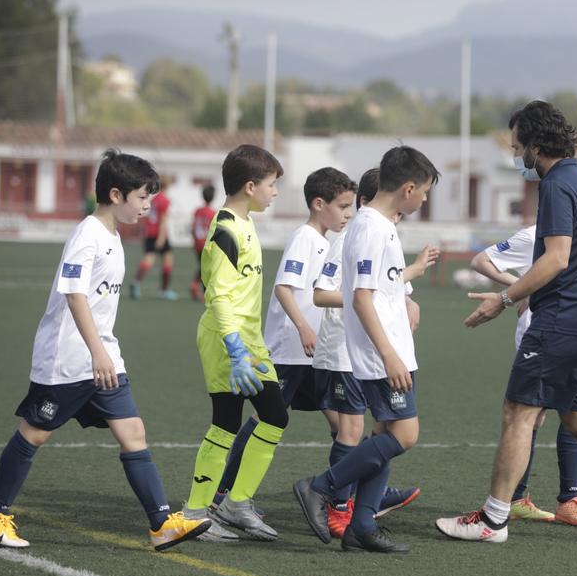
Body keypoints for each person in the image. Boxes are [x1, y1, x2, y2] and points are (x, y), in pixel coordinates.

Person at [435, 100, 577, 545]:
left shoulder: (556, 185)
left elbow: (556, 259)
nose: (519, 157)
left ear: (538, 146)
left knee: (518, 412)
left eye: (519, 147)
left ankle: (493, 519)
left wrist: (504, 297)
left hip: (560, 321)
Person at [0, 149, 209, 551]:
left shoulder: (113, 234)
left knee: (133, 432)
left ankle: (161, 524)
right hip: (68, 358)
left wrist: (104, 353)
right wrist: (96, 352)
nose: (148, 206)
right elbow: (74, 295)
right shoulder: (88, 234)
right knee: (35, 433)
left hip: (102, 357)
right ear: (115, 195)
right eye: (142, 197)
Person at [293, 145, 440, 554]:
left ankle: (362, 526)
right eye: (424, 191)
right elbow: (361, 298)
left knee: (386, 430)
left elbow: (382, 291)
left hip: (388, 348)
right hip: (382, 353)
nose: (425, 199)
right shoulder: (372, 228)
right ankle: (320, 487)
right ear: (408, 188)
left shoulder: (372, 224)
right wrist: (389, 354)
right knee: (405, 434)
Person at [183, 145, 287, 543]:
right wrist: (236, 351)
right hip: (228, 342)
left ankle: (234, 505)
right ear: (249, 186)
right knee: (226, 423)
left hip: (248, 343)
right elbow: (219, 296)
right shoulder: (225, 229)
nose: (275, 191)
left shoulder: (244, 222)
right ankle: (196, 514)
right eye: (271, 184)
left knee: (274, 416)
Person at [471, 223, 577, 527]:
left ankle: (534, 499)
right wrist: (521, 289)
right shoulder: (535, 234)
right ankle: (559, 500)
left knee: (569, 410)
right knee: (550, 412)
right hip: (543, 330)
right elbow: (481, 261)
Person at [265, 168, 357, 440]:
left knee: (344, 423)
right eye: (343, 206)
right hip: (292, 349)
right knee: (268, 419)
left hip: (314, 351)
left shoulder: (324, 241)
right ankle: (228, 482)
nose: (348, 214)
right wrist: (304, 327)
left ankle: (351, 483)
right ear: (319, 204)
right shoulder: (304, 238)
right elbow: (283, 287)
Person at [132, 175, 175, 300]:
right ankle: (164, 290)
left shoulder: (155, 199)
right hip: (158, 233)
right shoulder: (165, 200)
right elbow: (163, 220)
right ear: (168, 186)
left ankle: (136, 282)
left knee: (149, 258)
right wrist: (161, 237)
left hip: (150, 232)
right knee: (167, 260)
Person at [189, 184, 217, 302]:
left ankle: (197, 287)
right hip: (207, 244)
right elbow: (213, 230)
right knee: (207, 268)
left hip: (198, 242)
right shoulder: (213, 213)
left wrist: (194, 240)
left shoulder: (198, 211)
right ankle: (198, 288)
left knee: (203, 266)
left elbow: (193, 226)